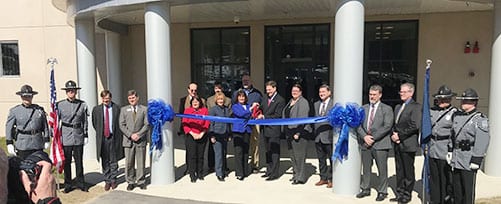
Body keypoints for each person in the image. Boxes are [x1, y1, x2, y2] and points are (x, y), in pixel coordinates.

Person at [450, 88, 489, 204]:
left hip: (469, 158)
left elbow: (482, 140)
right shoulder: (457, 116)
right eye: (462, 101)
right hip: (457, 157)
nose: (462, 103)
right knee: (457, 190)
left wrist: (477, 159)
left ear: (473, 103)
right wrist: (450, 150)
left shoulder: (479, 119)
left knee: (468, 191)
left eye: (466, 101)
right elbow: (453, 135)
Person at [356, 85, 394, 201]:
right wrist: (364, 137)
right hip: (365, 143)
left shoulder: (387, 109)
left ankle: (382, 191)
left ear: (380, 95)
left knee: (382, 169)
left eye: (374, 95)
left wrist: (372, 138)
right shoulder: (363, 108)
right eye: (370, 94)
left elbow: (387, 126)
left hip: (380, 143)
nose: (371, 97)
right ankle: (365, 188)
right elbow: (357, 124)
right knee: (366, 168)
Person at [390, 83, 422, 203]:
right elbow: (395, 124)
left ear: (411, 93)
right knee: (399, 169)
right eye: (400, 92)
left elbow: (415, 125)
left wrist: (400, 135)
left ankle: (407, 195)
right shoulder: (398, 106)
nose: (401, 94)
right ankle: (399, 193)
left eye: (404, 92)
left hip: (408, 143)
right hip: (397, 143)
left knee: (408, 170)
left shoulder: (416, 107)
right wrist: (394, 135)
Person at [57, 80, 89, 193]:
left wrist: (85, 134)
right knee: (67, 162)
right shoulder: (60, 105)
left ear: (76, 92)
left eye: (73, 91)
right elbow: (56, 122)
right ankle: (68, 184)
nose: (71, 93)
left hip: (78, 135)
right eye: (69, 91)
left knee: (79, 161)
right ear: (66, 92)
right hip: (66, 136)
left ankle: (80, 182)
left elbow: (85, 121)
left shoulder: (82, 104)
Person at [428, 85, 457, 204]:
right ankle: (435, 200)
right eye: (439, 99)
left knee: (445, 178)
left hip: (445, 148)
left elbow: (455, 133)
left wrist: (451, 150)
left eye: (444, 99)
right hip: (433, 147)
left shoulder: (455, 113)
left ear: (449, 100)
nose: (441, 101)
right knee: (434, 178)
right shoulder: (432, 111)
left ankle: (446, 199)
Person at [5, 85, 50, 159]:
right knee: (23, 166)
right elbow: (8, 127)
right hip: (23, 144)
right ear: (21, 97)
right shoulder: (15, 111)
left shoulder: (39, 110)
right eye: (25, 96)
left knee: (38, 165)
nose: (27, 98)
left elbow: (45, 126)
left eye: (29, 96)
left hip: (37, 142)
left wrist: (46, 139)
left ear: (32, 97)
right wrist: (9, 143)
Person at [91, 90, 124, 191]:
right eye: (104, 100)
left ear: (111, 98)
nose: (106, 101)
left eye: (108, 99)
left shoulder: (117, 108)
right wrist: (102, 132)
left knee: (114, 159)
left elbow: (120, 122)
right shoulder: (96, 109)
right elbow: (94, 123)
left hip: (114, 137)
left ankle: (113, 179)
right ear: (102, 99)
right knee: (105, 159)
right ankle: (107, 180)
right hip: (103, 138)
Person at [119, 90, 149, 191]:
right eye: (130, 98)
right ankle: (130, 182)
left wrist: (139, 135)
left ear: (137, 98)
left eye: (133, 98)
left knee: (141, 162)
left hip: (140, 140)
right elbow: (121, 125)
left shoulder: (144, 109)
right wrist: (130, 135)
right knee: (129, 163)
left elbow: (147, 124)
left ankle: (141, 181)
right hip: (128, 140)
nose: (132, 100)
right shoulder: (124, 110)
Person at [233, 73, 262, 173]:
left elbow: (261, 107)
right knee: (241, 148)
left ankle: (254, 165)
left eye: (247, 80)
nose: (245, 82)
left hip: (254, 122)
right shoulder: (236, 92)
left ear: (251, 81)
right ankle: (240, 170)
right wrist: (250, 109)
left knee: (255, 144)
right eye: (244, 80)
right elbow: (235, 108)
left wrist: (260, 114)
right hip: (240, 125)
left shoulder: (257, 93)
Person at [283, 84, 311, 185]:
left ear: (300, 92)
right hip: (289, 132)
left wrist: (298, 133)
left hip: (299, 133)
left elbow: (303, 119)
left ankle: (300, 178)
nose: (294, 92)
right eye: (292, 90)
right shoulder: (291, 101)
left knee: (299, 156)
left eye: (296, 91)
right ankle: (295, 174)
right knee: (293, 155)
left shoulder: (303, 102)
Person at [257, 80, 285, 181]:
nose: (268, 92)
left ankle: (274, 173)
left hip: (274, 130)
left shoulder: (280, 100)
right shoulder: (264, 98)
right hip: (265, 129)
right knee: (267, 151)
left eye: (269, 90)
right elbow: (261, 107)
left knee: (274, 152)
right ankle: (268, 171)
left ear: (274, 88)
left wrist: (264, 116)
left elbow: (277, 115)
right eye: (267, 90)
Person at [178, 82, 205, 174]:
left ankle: (198, 170)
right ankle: (189, 168)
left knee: (199, 152)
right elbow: (181, 115)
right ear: (188, 90)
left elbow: (205, 114)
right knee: (190, 151)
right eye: (192, 90)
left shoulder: (202, 100)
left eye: (195, 90)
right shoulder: (183, 100)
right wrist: (187, 129)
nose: (193, 92)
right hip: (188, 130)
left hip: (200, 129)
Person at [182, 96, 210, 183]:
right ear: (191, 103)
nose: (195, 103)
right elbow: (184, 124)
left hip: (202, 135)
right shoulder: (187, 111)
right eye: (193, 101)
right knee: (192, 156)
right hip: (191, 135)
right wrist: (192, 133)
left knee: (200, 156)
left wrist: (201, 133)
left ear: (200, 102)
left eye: (197, 101)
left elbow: (207, 123)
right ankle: (192, 174)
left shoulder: (204, 110)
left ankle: (200, 173)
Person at [231, 90, 257, 181]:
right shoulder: (235, 106)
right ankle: (239, 173)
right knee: (238, 152)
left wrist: (251, 111)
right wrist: (250, 110)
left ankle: (245, 171)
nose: (241, 98)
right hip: (238, 131)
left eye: (243, 96)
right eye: (240, 96)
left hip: (247, 130)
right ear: (237, 98)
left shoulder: (248, 106)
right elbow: (240, 114)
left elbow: (251, 116)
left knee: (246, 152)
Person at [206, 81, 231, 173]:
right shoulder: (213, 109)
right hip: (216, 134)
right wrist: (211, 135)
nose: (220, 101)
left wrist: (229, 134)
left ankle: (223, 169)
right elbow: (211, 123)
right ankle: (219, 173)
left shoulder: (226, 109)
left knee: (224, 153)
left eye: (222, 99)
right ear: (216, 100)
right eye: (219, 99)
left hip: (225, 133)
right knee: (218, 154)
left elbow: (228, 122)